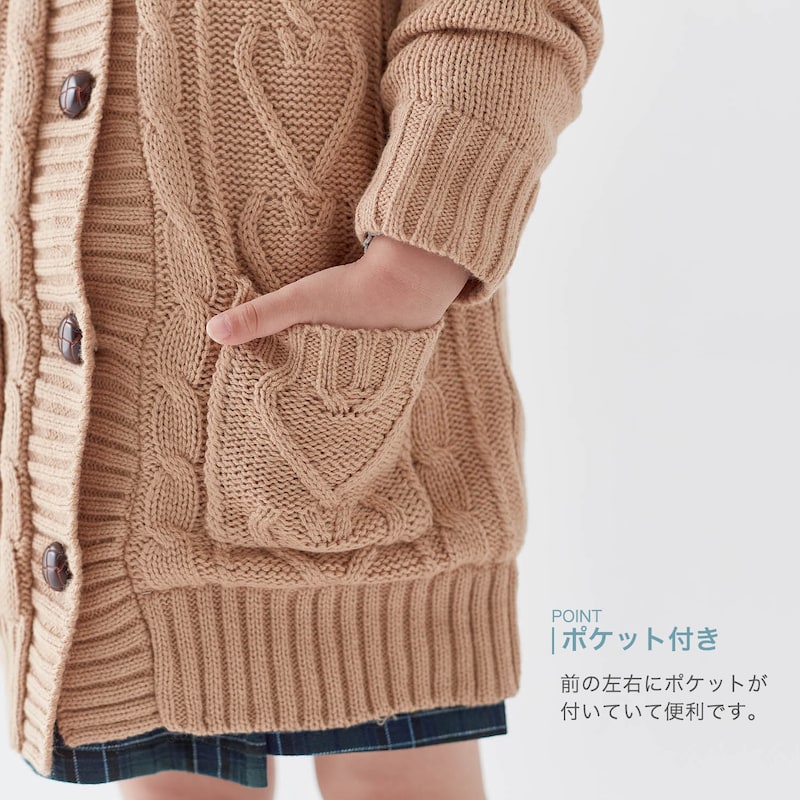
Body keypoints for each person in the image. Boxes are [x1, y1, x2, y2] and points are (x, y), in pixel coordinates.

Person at [0, 0, 604, 797]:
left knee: (394, 764)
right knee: (172, 769)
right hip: (81, 435)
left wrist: (418, 257)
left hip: (351, 414)